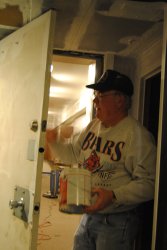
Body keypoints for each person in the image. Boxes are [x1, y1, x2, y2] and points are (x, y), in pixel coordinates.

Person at [45, 69, 156, 250]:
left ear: (119, 100)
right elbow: (74, 153)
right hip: (89, 215)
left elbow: (150, 184)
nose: (95, 101)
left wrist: (112, 195)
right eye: (95, 95)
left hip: (117, 221)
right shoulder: (94, 125)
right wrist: (55, 143)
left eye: (100, 96)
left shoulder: (137, 136)